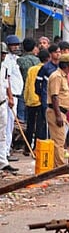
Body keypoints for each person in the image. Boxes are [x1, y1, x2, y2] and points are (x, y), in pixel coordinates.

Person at [47, 53, 69, 168]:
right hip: (56, 112)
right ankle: (60, 166)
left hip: (63, 111)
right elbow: (54, 96)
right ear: (67, 65)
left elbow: (64, 93)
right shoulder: (56, 76)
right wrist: (58, 115)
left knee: (60, 139)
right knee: (58, 141)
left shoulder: (64, 76)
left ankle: (58, 164)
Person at [24, 49, 50, 149]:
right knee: (40, 125)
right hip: (41, 100)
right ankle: (36, 147)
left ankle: (27, 147)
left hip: (31, 99)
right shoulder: (47, 69)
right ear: (48, 58)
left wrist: (26, 99)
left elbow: (27, 85)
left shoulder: (31, 69)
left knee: (30, 125)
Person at [3, 36, 23, 160]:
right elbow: (7, 79)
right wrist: (10, 97)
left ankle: (6, 151)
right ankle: (5, 153)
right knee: (7, 126)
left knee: (9, 126)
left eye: (17, 44)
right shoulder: (7, 61)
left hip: (15, 96)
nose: (16, 47)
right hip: (10, 97)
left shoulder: (14, 59)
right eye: (13, 45)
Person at [0, 43, 15, 174]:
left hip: (2, 103)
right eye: (2, 54)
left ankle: (3, 161)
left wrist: (10, 97)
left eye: (4, 54)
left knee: (3, 133)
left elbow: (7, 83)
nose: (3, 56)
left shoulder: (4, 67)